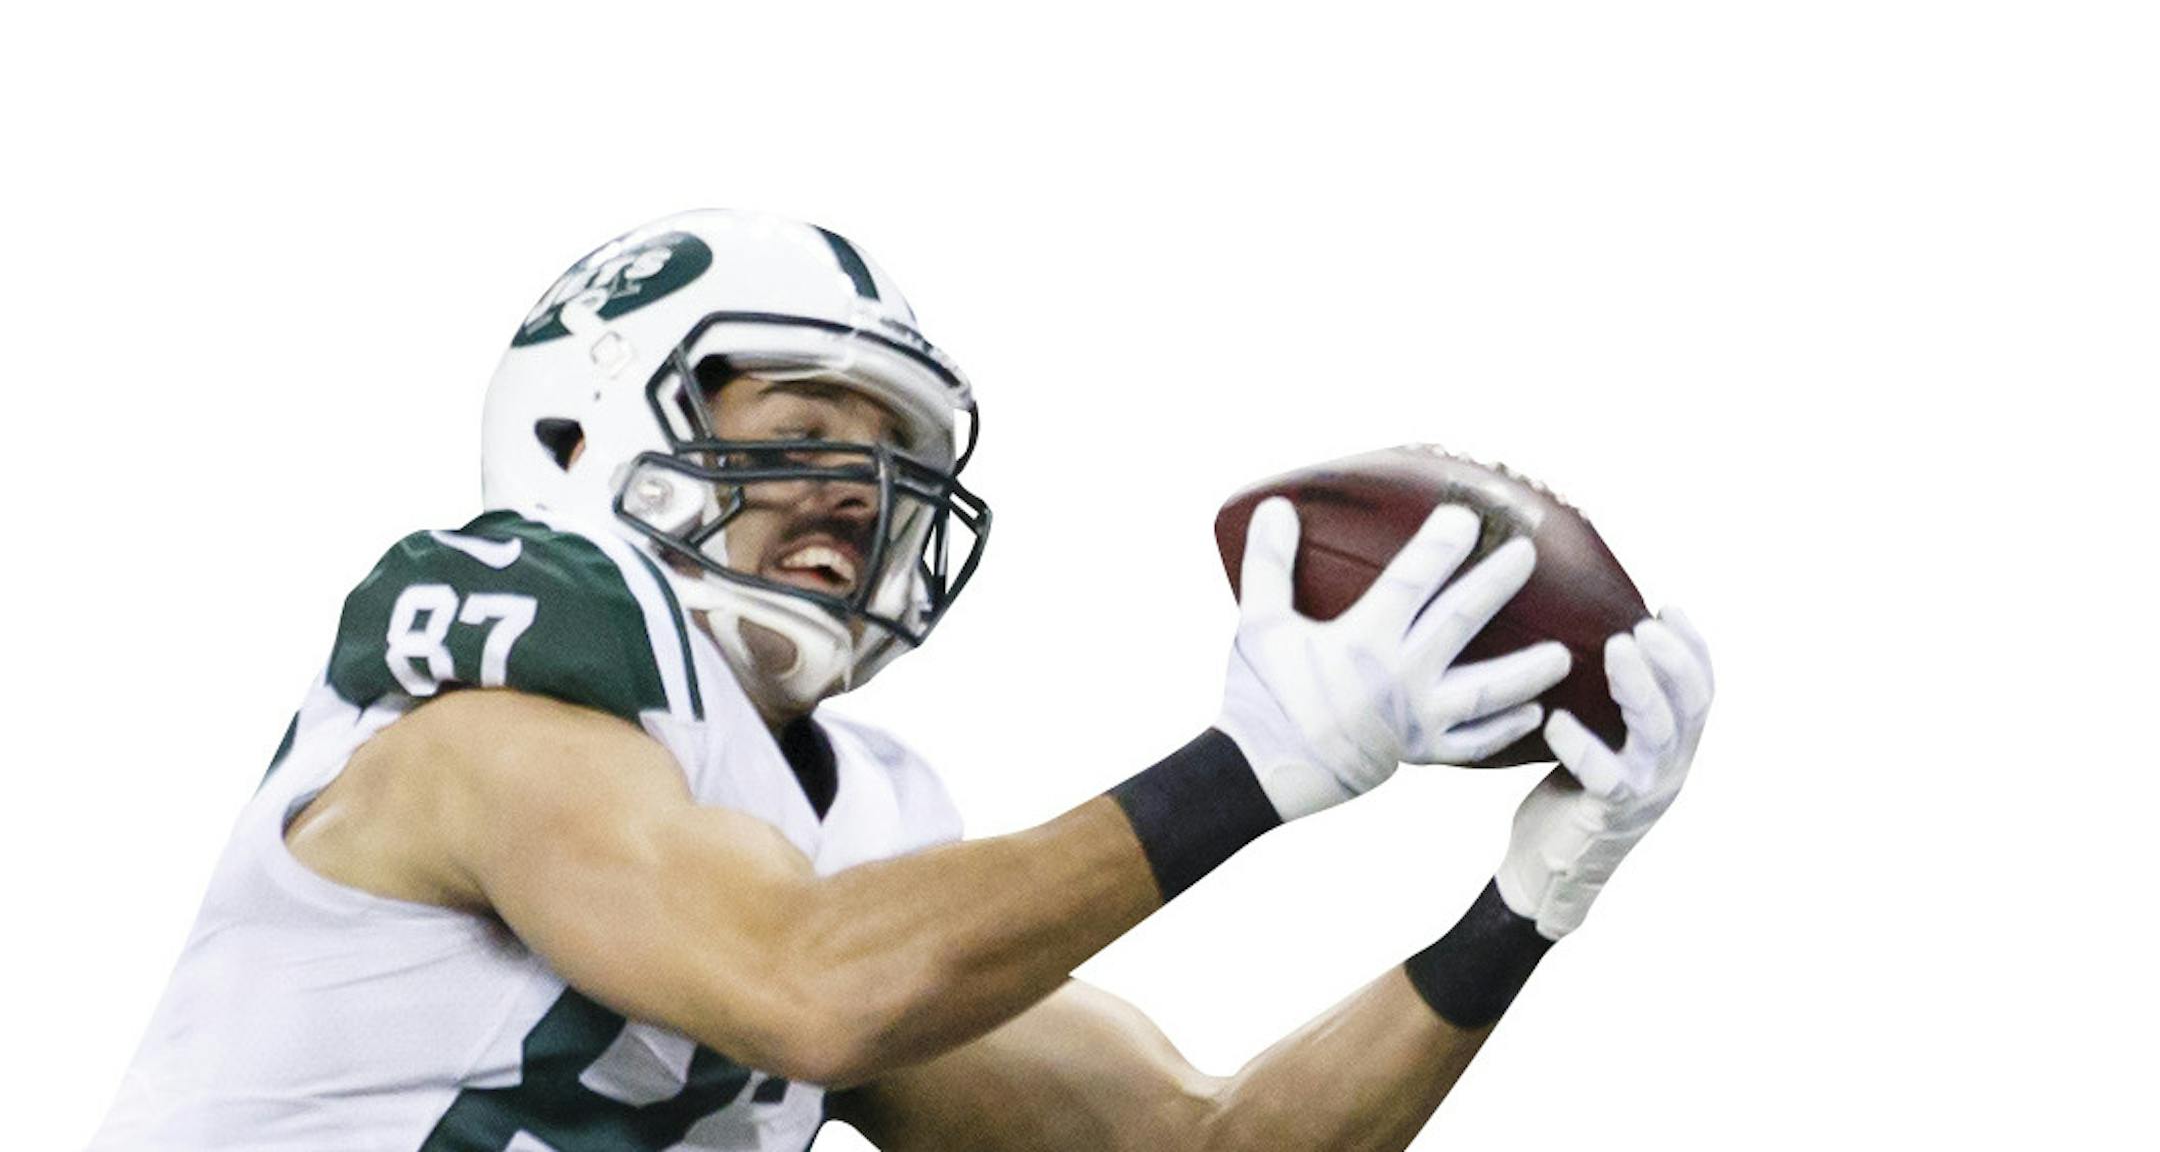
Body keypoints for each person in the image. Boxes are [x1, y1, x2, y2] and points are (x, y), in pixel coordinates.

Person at [88, 208, 1714, 1152]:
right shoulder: (493, 712)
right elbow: (809, 982)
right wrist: (1255, 768)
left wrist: (1526, 905)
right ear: (582, 432)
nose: (850, 502)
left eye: (882, 473)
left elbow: (1198, 1146)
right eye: (797, 439)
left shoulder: (850, 825)